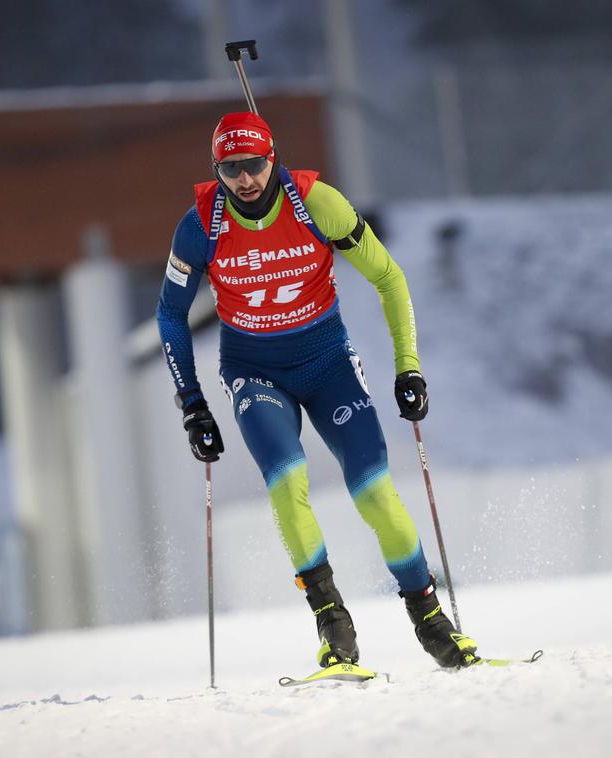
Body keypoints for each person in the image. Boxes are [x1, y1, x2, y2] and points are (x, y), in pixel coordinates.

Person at [155, 111, 478, 669]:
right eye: (231, 169)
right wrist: (193, 405)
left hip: (327, 362)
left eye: (254, 164)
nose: (245, 179)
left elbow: (388, 276)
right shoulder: (200, 225)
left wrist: (409, 367)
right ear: (217, 170)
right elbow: (169, 315)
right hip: (254, 370)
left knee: (374, 490)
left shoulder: (316, 203)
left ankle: (431, 621)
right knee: (287, 481)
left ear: (272, 157)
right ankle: (334, 626)